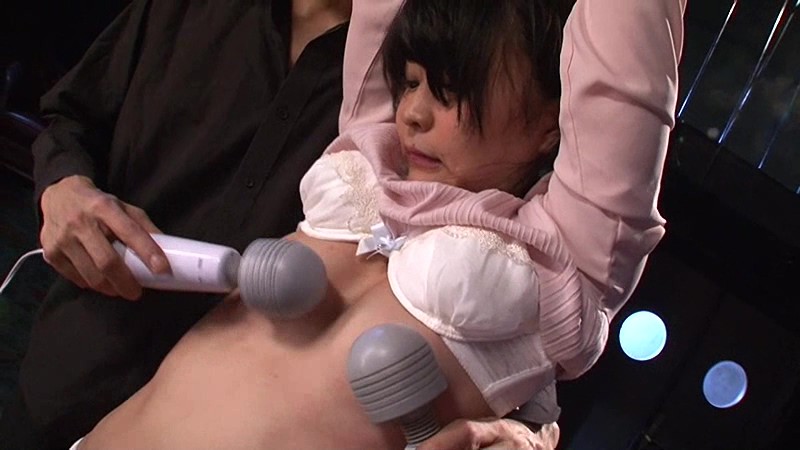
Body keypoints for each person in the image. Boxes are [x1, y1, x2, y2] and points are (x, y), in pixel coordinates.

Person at [75, 0, 686, 448]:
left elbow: (624, 75)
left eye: (449, 91)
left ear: (552, 120)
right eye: (411, 82)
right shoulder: (368, 151)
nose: (412, 112)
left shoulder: (567, 260)